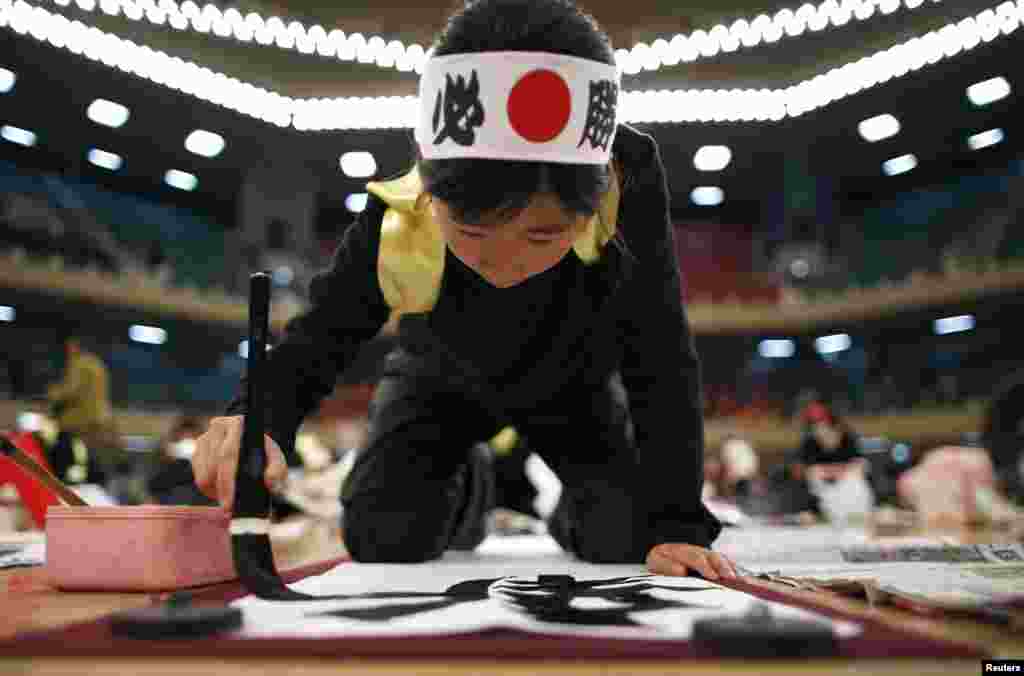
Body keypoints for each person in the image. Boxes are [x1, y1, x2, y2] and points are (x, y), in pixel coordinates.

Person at [191, 0, 735, 580]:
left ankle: (566, 509)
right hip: (439, 377)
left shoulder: (628, 178)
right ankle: (471, 486)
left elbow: (659, 350)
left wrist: (677, 523)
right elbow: (319, 339)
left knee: (630, 537)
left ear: (595, 197)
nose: (503, 264)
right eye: (471, 231)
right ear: (428, 181)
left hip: (573, 382)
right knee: (382, 535)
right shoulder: (397, 211)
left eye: (543, 234)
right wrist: (254, 417)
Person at [45, 328, 122, 485]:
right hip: (98, 422)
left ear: (75, 346)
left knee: (63, 459)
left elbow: (71, 390)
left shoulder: (79, 364)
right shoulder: (98, 364)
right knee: (90, 461)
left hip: (77, 421)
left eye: (69, 346)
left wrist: (52, 393)